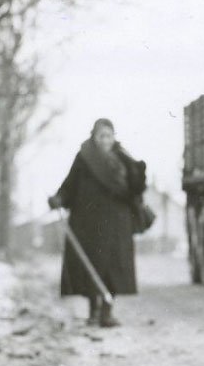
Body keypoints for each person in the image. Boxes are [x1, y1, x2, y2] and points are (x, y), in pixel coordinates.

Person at [48, 118, 147, 327]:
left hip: (117, 223)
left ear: (114, 137)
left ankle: (107, 313)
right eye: (101, 136)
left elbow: (134, 188)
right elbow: (70, 184)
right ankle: (93, 311)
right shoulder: (84, 158)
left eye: (109, 135)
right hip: (89, 222)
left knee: (114, 268)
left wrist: (140, 172)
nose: (105, 140)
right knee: (92, 266)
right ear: (93, 137)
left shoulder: (122, 157)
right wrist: (59, 198)